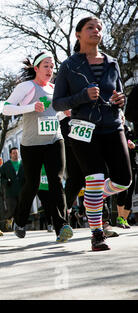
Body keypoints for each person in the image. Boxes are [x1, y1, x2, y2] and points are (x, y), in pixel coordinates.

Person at [53, 16, 129, 251]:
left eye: (99, 28)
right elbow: (57, 103)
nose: (96, 31)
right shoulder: (69, 65)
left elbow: (119, 93)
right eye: (90, 28)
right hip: (83, 129)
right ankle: (97, 233)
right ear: (78, 34)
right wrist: (83, 96)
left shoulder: (112, 63)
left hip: (112, 125)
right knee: (94, 179)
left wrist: (120, 100)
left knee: (123, 180)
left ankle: (93, 198)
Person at [3, 51, 73, 242]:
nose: (50, 70)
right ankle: (20, 220)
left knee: (56, 181)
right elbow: (7, 108)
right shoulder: (27, 86)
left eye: (52, 66)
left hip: (54, 140)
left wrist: (65, 114)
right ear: (36, 68)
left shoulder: (55, 88)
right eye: (46, 66)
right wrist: (31, 107)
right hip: (32, 144)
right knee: (32, 184)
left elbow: (53, 116)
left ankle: (62, 227)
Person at [116, 110, 135, 228]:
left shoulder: (129, 131)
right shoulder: (113, 132)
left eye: (122, 117)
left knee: (130, 192)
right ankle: (119, 217)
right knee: (123, 190)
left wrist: (133, 145)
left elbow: (134, 142)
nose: (122, 119)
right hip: (119, 164)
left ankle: (123, 218)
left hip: (132, 164)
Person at [0, 147, 24, 231]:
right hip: (10, 191)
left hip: (21, 191)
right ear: (10, 154)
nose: (15, 154)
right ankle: (9, 219)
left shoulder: (23, 164)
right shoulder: (6, 165)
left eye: (17, 153)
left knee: (20, 209)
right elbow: (1, 177)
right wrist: (6, 182)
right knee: (11, 208)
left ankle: (18, 226)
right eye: (13, 153)